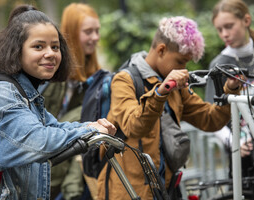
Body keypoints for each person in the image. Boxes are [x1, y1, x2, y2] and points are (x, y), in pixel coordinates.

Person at [96, 16, 242, 200]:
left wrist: (231, 89)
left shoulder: (174, 86)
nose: (184, 68)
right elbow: (134, 126)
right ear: (162, 50)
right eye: (181, 61)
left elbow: (210, 120)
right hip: (127, 192)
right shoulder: (124, 80)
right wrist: (161, 91)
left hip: (167, 189)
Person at [0, 4, 116, 200]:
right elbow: (41, 140)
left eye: (55, 47)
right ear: (16, 50)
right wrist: (91, 131)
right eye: (38, 46)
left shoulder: (26, 92)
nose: (50, 53)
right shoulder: (1, 93)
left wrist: (93, 126)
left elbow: (55, 127)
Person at [38, 3, 102, 200]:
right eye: (88, 31)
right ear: (72, 33)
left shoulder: (97, 78)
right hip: (44, 170)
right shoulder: (48, 74)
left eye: (97, 31)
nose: (95, 37)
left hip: (74, 180)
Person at [205, 0, 254, 187]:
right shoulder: (219, 65)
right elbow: (212, 116)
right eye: (219, 29)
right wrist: (233, 142)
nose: (224, 34)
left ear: (246, 20)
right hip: (243, 153)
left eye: (229, 26)